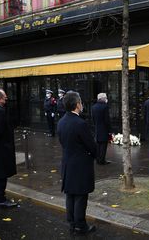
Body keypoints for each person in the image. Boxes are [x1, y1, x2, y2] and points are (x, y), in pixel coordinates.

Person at [57, 91, 97, 235]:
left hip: (67, 163)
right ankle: (81, 225)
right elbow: (91, 146)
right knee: (80, 196)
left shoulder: (61, 122)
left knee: (70, 195)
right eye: (80, 102)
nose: (82, 105)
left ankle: (72, 223)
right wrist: (95, 154)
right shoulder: (80, 123)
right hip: (81, 165)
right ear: (77, 105)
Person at [91, 93, 111, 165]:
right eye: (105, 97)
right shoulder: (105, 106)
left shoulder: (93, 107)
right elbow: (107, 120)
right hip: (104, 128)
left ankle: (98, 159)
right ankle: (102, 160)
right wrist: (109, 130)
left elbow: (92, 118)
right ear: (103, 98)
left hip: (97, 128)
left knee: (98, 144)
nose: (106, 99)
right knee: (103, 145)